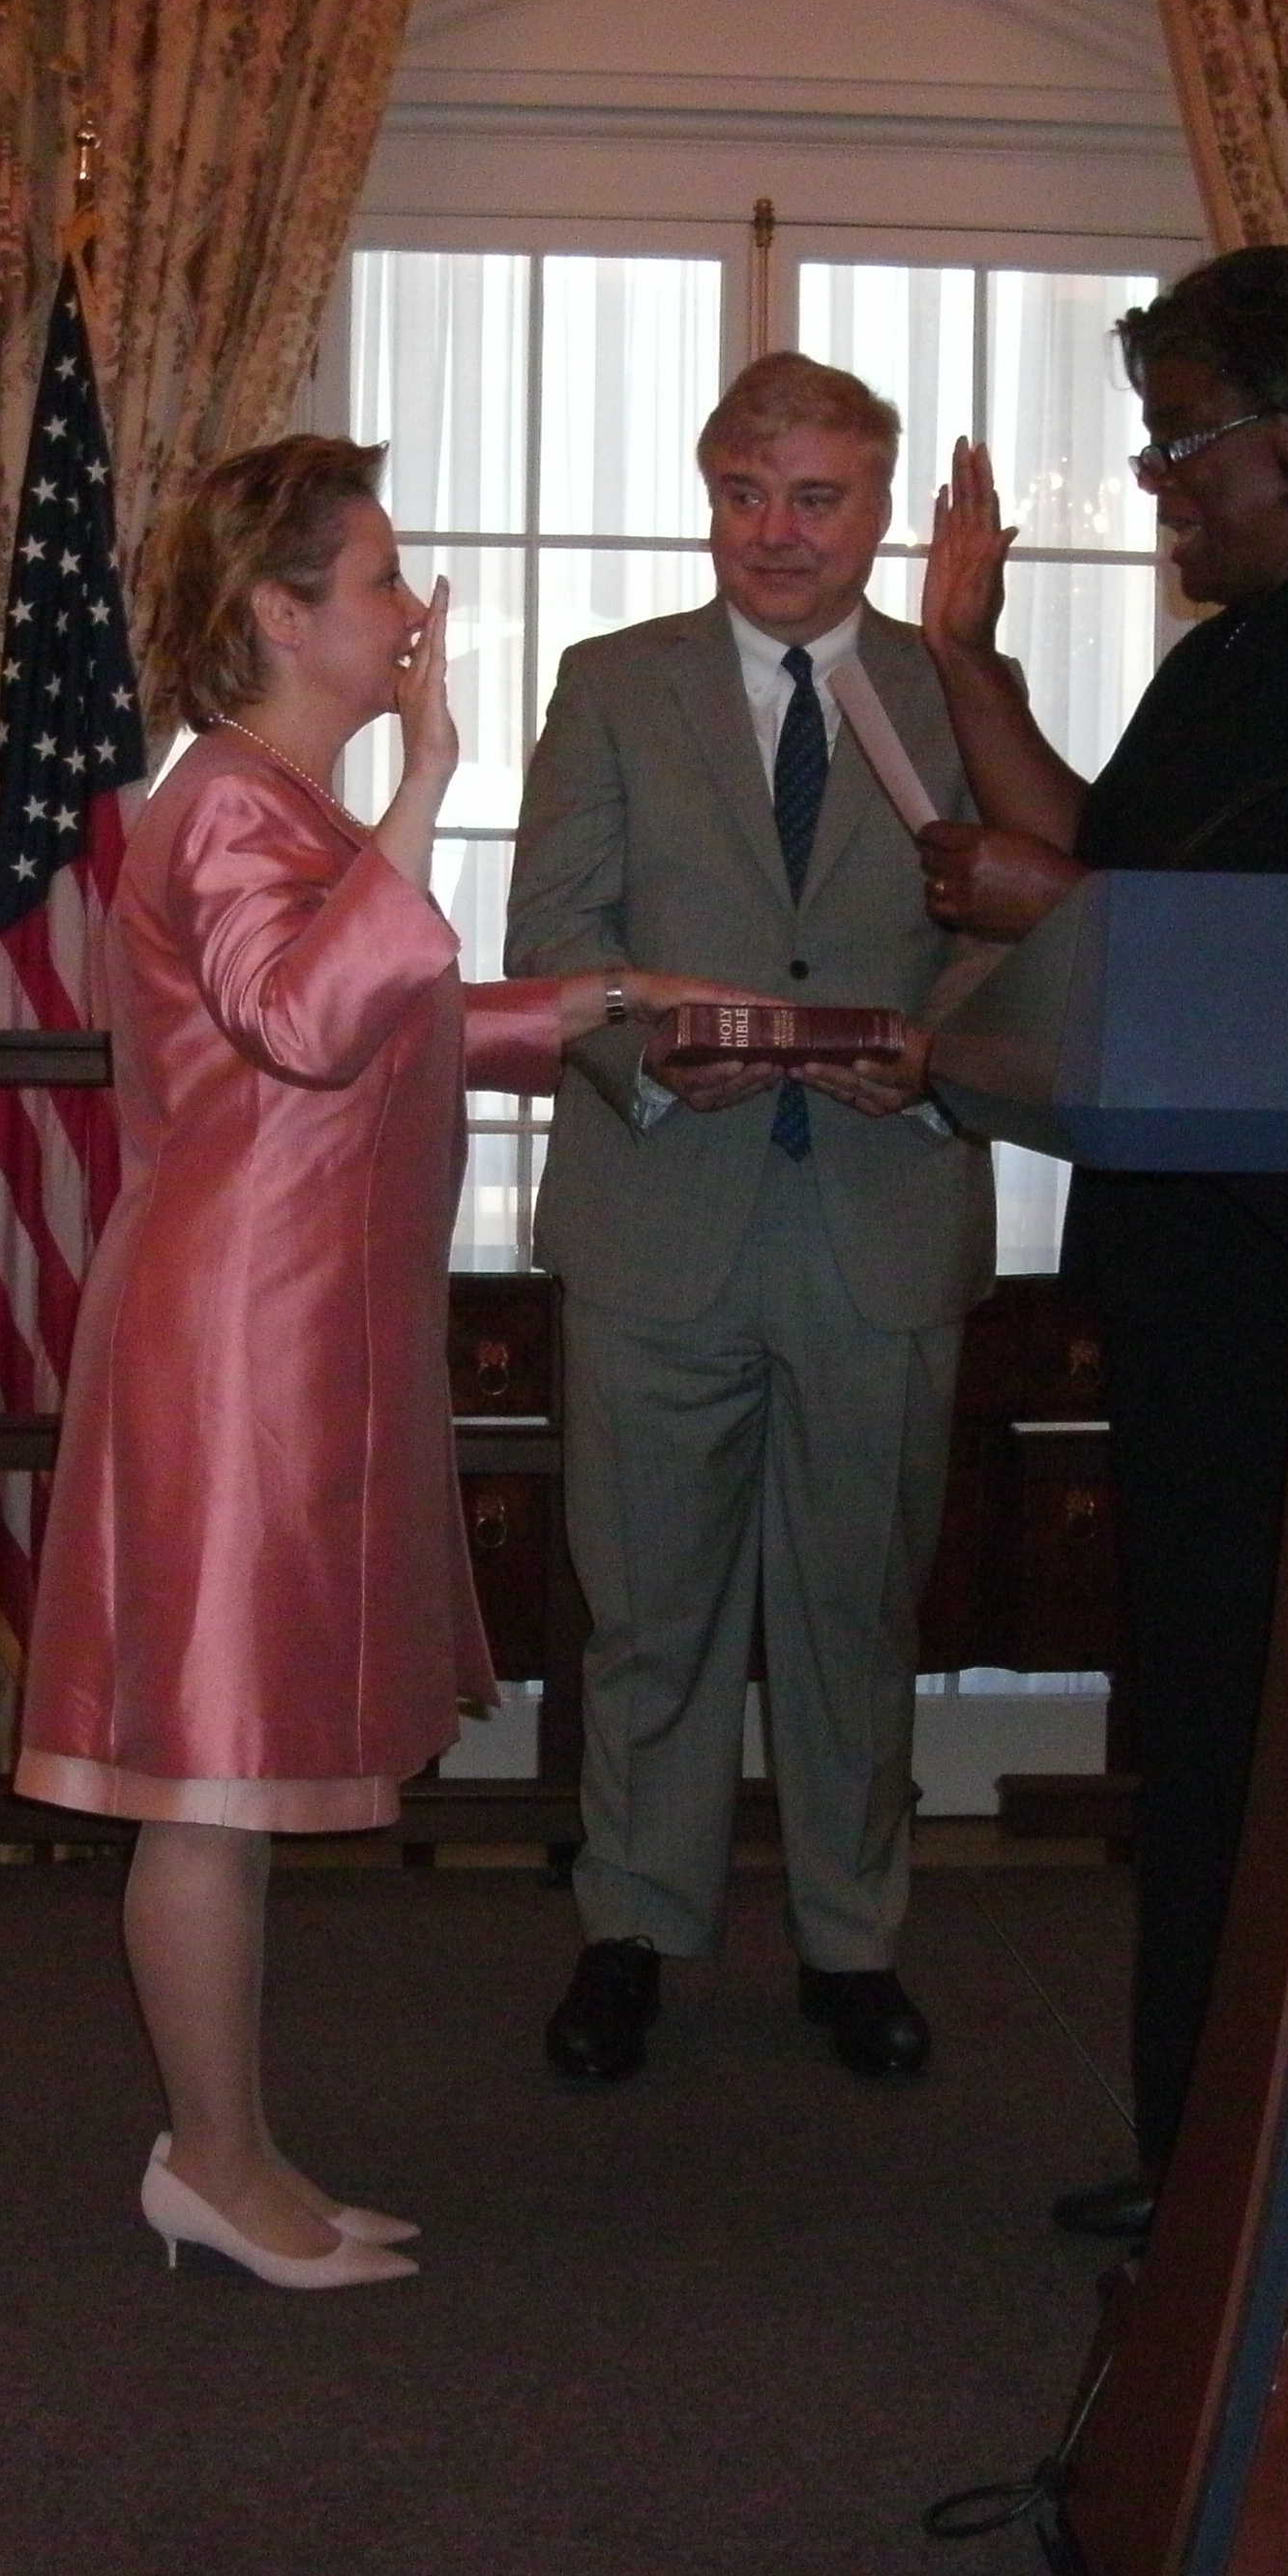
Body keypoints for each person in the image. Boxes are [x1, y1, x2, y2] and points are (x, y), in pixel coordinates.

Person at [17, 436, 726, 2288]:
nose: (414, 616)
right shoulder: (244, 808)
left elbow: (367, 1015)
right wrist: (431, 775)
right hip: (239, 1340)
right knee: (212, 1774)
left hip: (291, 1322)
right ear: (279, 613)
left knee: (233, 1780)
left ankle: (233, 2152)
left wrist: (586, 1012)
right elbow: (311, 1020)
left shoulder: (276, 811)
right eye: (383, 582)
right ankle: (214, 2165)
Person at [911, 246, 1288, 2240]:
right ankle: (1206, 2151)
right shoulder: (1241, 644)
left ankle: (1274, 2168)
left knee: (1266, 1731)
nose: (1160, 479)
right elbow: (1111, 859)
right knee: (1197, 1726)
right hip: (1196, 1274)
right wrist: (968, 674)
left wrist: (1049, 910)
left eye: (1182, 438)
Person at [503, 354, 992, 2086]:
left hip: (882, 1208)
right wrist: (651, 1054)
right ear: (707, 497)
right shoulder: (614, 685)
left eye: (816, 497)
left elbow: (1022, 941)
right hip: (662, 1211)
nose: (776, 533)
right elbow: (556, 934)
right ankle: (633, 1925)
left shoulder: (957, 698)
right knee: (646, 1607)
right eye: (743, 493)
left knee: (855, 1611)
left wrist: (941, 1065)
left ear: (878, 511)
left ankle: (853, 1942)